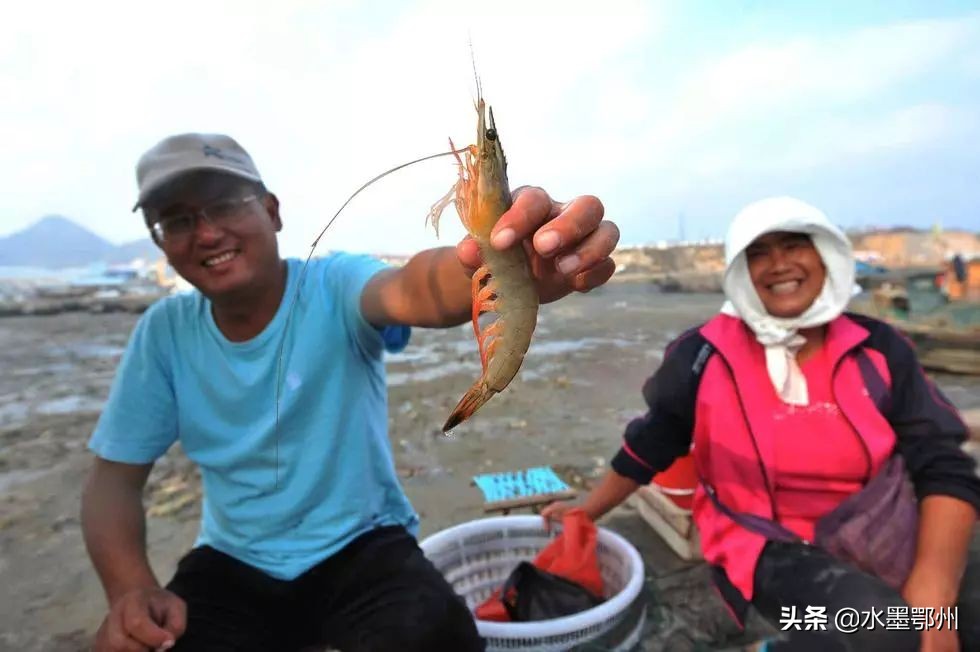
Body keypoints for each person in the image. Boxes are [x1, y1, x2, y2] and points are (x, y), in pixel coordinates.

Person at [80, 132, 620, 652]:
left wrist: (520, 257)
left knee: (434, 632)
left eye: (223, 204)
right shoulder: (163, 332)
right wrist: (130, 589)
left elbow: (416, 288)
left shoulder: (332, 283)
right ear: (160, 241)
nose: (205, 232)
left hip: (363, 542)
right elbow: (113, 482)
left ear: (271, 211)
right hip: (232, 558)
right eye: (176, 221)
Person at [542, 197, 980, 651]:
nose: (780, 264)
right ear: (740, 272)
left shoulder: (880, 347)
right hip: (766, 544)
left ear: (824, 254)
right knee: (887, 634)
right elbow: (648, 446)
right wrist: (585, 511)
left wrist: (934, 593)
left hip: (884, 524)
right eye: (759, 253)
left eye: (795, 246)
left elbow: (944, 465)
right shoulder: (702, 356)